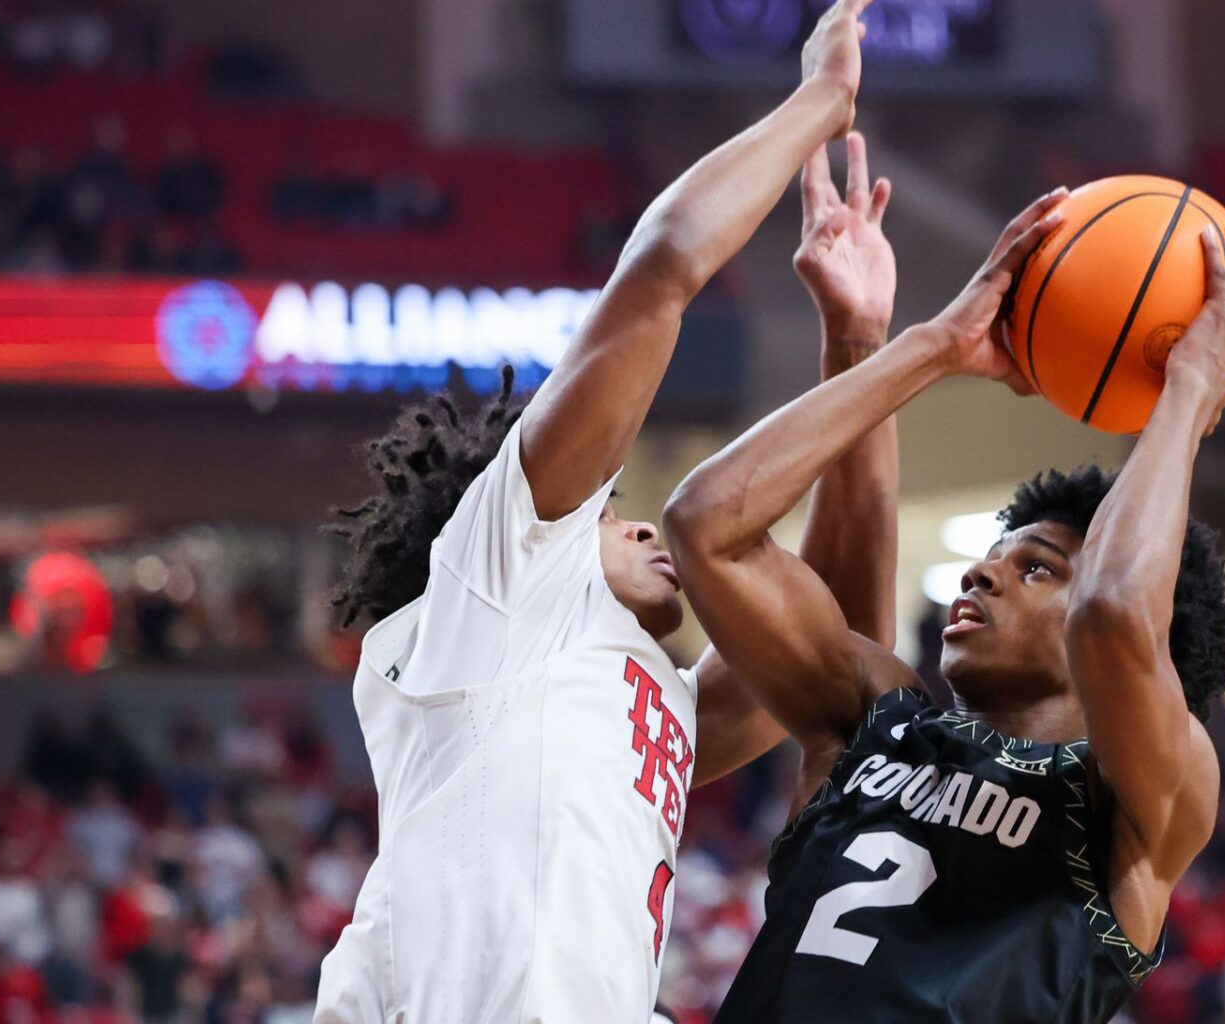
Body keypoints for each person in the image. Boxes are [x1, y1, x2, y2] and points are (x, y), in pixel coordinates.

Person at [312, 2, 891, 1020]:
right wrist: (821, 102)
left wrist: (857, 341)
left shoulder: (653, 706)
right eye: (606, 512)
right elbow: (662, 267)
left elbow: (835, 642)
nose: (629, 523)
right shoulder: (498, 584)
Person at [665, 204, 1225, 1020]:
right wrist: (906, 345)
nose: (981, 579)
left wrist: (1189, 392)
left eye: (1035, 568)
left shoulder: (1136, 800)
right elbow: (707, 524)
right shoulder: (873, 723)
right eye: (988, 562)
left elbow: (1114, 610)